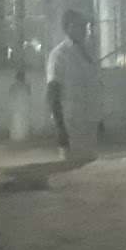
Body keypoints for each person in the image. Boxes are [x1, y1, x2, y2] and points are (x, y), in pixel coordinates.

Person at [45, 9, 100, 159]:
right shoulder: (59, 55)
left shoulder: (87, 54)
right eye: (80, 26)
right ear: (69, 27)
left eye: (84, 26)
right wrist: (60, 128)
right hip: (71, 124)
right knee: (72, 166)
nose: (84, 30)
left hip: (89, 122)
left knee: (89, 165)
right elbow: (52, 94)